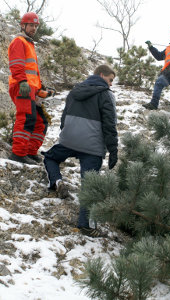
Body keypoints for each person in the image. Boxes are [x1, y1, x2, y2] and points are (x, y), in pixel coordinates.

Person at [42, 64, 118, 238]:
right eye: (110, 80)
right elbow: (109, 124)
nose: (111, 84)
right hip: (92, 147)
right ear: (101, 75)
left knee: (50, 158)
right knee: (89, 185)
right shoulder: (106, 94)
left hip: (69, 140)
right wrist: (113, 151)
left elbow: (64, 116)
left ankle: (57, 182)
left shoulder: (75, 91)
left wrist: (65, 133)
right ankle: (86, 225)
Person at [8, 12, 50, 164]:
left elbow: (31, 71)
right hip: (21, 86)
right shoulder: (19, 41)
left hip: (30, 87)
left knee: (40, 121)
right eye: (31, 25)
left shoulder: (29, 43)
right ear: (23, 25)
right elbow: (16, 65)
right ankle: (18, 153)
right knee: (26, 117)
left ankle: (30, 151)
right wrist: (22, 82)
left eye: (36, 26)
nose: (34, 28)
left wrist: (41, 89)